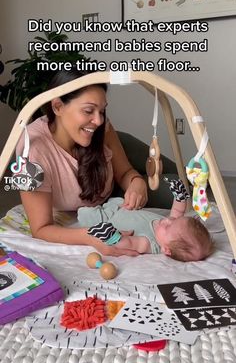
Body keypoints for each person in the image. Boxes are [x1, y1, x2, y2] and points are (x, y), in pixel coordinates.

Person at [15, 68, 150, 257]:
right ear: (58, 107)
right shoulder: (33, 149)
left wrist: (136, 181)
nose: (99, 120)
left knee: (176, 177)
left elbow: (125, 172)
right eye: (88, 110)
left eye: (102, 111)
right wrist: (91, 236)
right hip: (110, 197)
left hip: (117, 151)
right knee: (169, 194)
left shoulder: (102, 128)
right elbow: (41, 229)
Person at [77, 179, 214, 262]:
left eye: (168, 227)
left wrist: (112, 236)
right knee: (121, 199)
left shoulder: (149, 243)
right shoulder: (171, 230)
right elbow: (178, 212)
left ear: (166, 250)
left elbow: (130, 243)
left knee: (84, 213)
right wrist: (179, 197)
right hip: (122, 207)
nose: (167, 220)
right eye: (172, 221)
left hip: (108, 219)